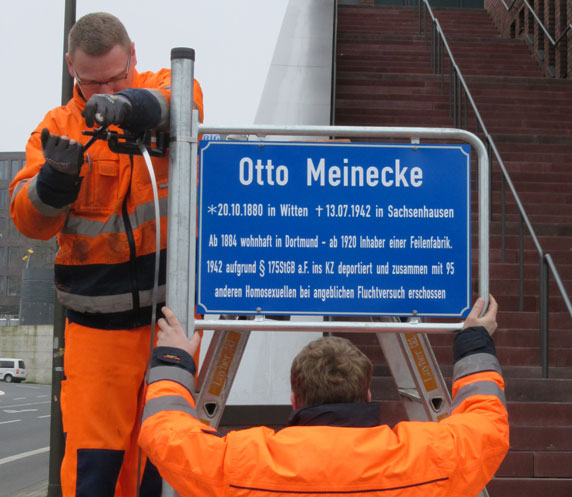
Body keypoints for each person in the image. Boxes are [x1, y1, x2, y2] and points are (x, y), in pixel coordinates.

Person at [9, 12, 204, 497]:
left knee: (166, 454)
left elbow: (186, 102)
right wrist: (53, 184)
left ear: (133, 56)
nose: (101, 89)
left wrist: (125, 104)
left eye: (115, 76)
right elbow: (27, 219)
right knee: (94, 466)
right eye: (90, 81)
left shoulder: (162, 88)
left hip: (170, 320)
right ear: (70, 69)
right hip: (97, 333)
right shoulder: (57, 129)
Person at [139, 295, 508, 497]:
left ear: (294, 400)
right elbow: (487, 426)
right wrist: (474, 340)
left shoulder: (245, 462)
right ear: (366, 394)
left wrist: (174, 359)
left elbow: (164, 433)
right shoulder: (426, 459)